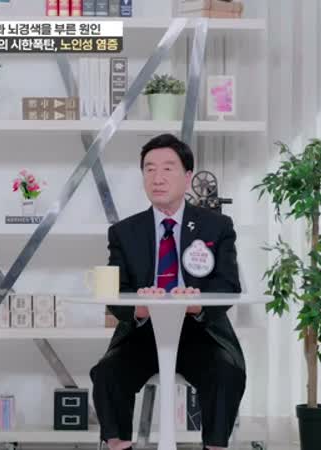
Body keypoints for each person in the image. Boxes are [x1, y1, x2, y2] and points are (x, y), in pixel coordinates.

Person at [90, 134, 245, 450]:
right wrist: (141, 306)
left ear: (188, 177)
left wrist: (193, 303)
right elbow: (115, 290)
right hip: (143, 333)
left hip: (201, 333)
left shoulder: (217, 226)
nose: (157, 178)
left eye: (167, 168)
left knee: (226, 373)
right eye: (149, 169)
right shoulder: (124, 232)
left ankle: (215, 446)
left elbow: (228, 286)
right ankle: (118, 445)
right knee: (106, 374)